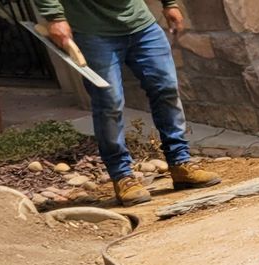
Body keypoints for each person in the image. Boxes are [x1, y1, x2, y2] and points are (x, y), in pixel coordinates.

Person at [33, 0, 219, 205]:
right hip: (92, 31)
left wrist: (170, 4)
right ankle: (122, 175)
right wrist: (55, 17)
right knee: (109, 103)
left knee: (166, 90)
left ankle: (180, 162)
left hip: (142, 26)